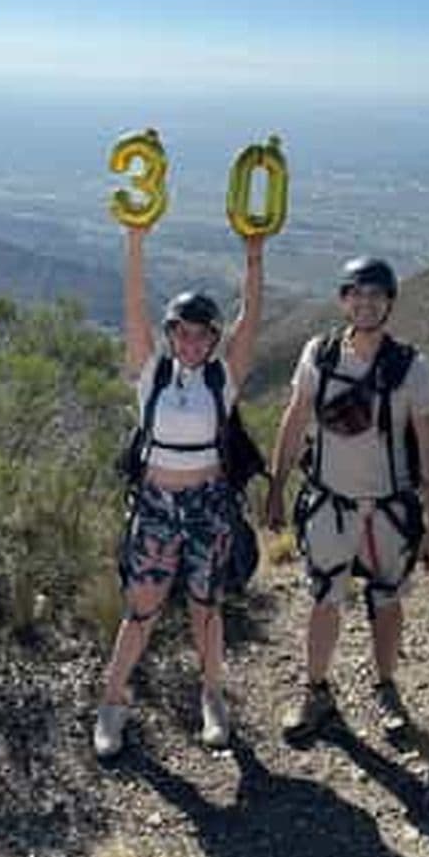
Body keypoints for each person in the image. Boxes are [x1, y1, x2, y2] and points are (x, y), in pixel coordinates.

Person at [94, 225, 264, 759]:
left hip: (208, 507)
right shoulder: (151, 373)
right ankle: (111, 703)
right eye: (182, 333)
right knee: (140, 611)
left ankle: (212, 697)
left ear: (213, 338)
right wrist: (136, 241)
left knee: (205, 607)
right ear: (170, 334)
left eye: (201, 334)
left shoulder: (223, 378)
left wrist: (254, 258)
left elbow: (250, 318)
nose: (191, 342)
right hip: (156, 508)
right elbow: (133, 305)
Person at [267, 255, 429, 743]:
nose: (366, 303)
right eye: (357, 294)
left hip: (389, 508)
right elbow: (295, 417)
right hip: (329, 504)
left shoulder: (412, 368)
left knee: (386, 602)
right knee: (324, 600)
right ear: (344, 300)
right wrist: (276, 487)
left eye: (376, 295)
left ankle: (385, 688)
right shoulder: (319, 355)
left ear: (389, 302)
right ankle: (317, 691)